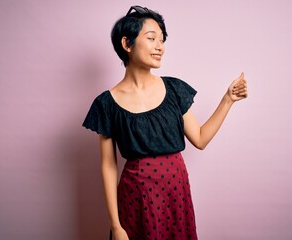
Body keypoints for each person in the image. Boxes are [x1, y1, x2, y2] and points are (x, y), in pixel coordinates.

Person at [83, 5, 248, 240]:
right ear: (127, 44)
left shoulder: (174, 90)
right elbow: (108, 167)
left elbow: (200, 139)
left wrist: (227, 100)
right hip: (136, 198)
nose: (160, 46)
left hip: (175, 193)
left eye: (162, 39)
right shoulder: (106, 104)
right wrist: (116, 226)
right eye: (151, 38)